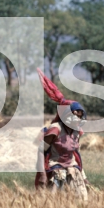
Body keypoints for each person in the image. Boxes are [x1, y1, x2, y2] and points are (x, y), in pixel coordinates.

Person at [35, 68, 88, 200]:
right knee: (53, 201)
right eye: (73, 115)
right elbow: (41, 151)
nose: (76, 118)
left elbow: (75, 155)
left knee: (82, 201)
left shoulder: (77, 132)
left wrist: (84, 176)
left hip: (72, 168)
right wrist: (42, 174)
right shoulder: (55, 129)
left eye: (79, 115)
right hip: (56, 169)